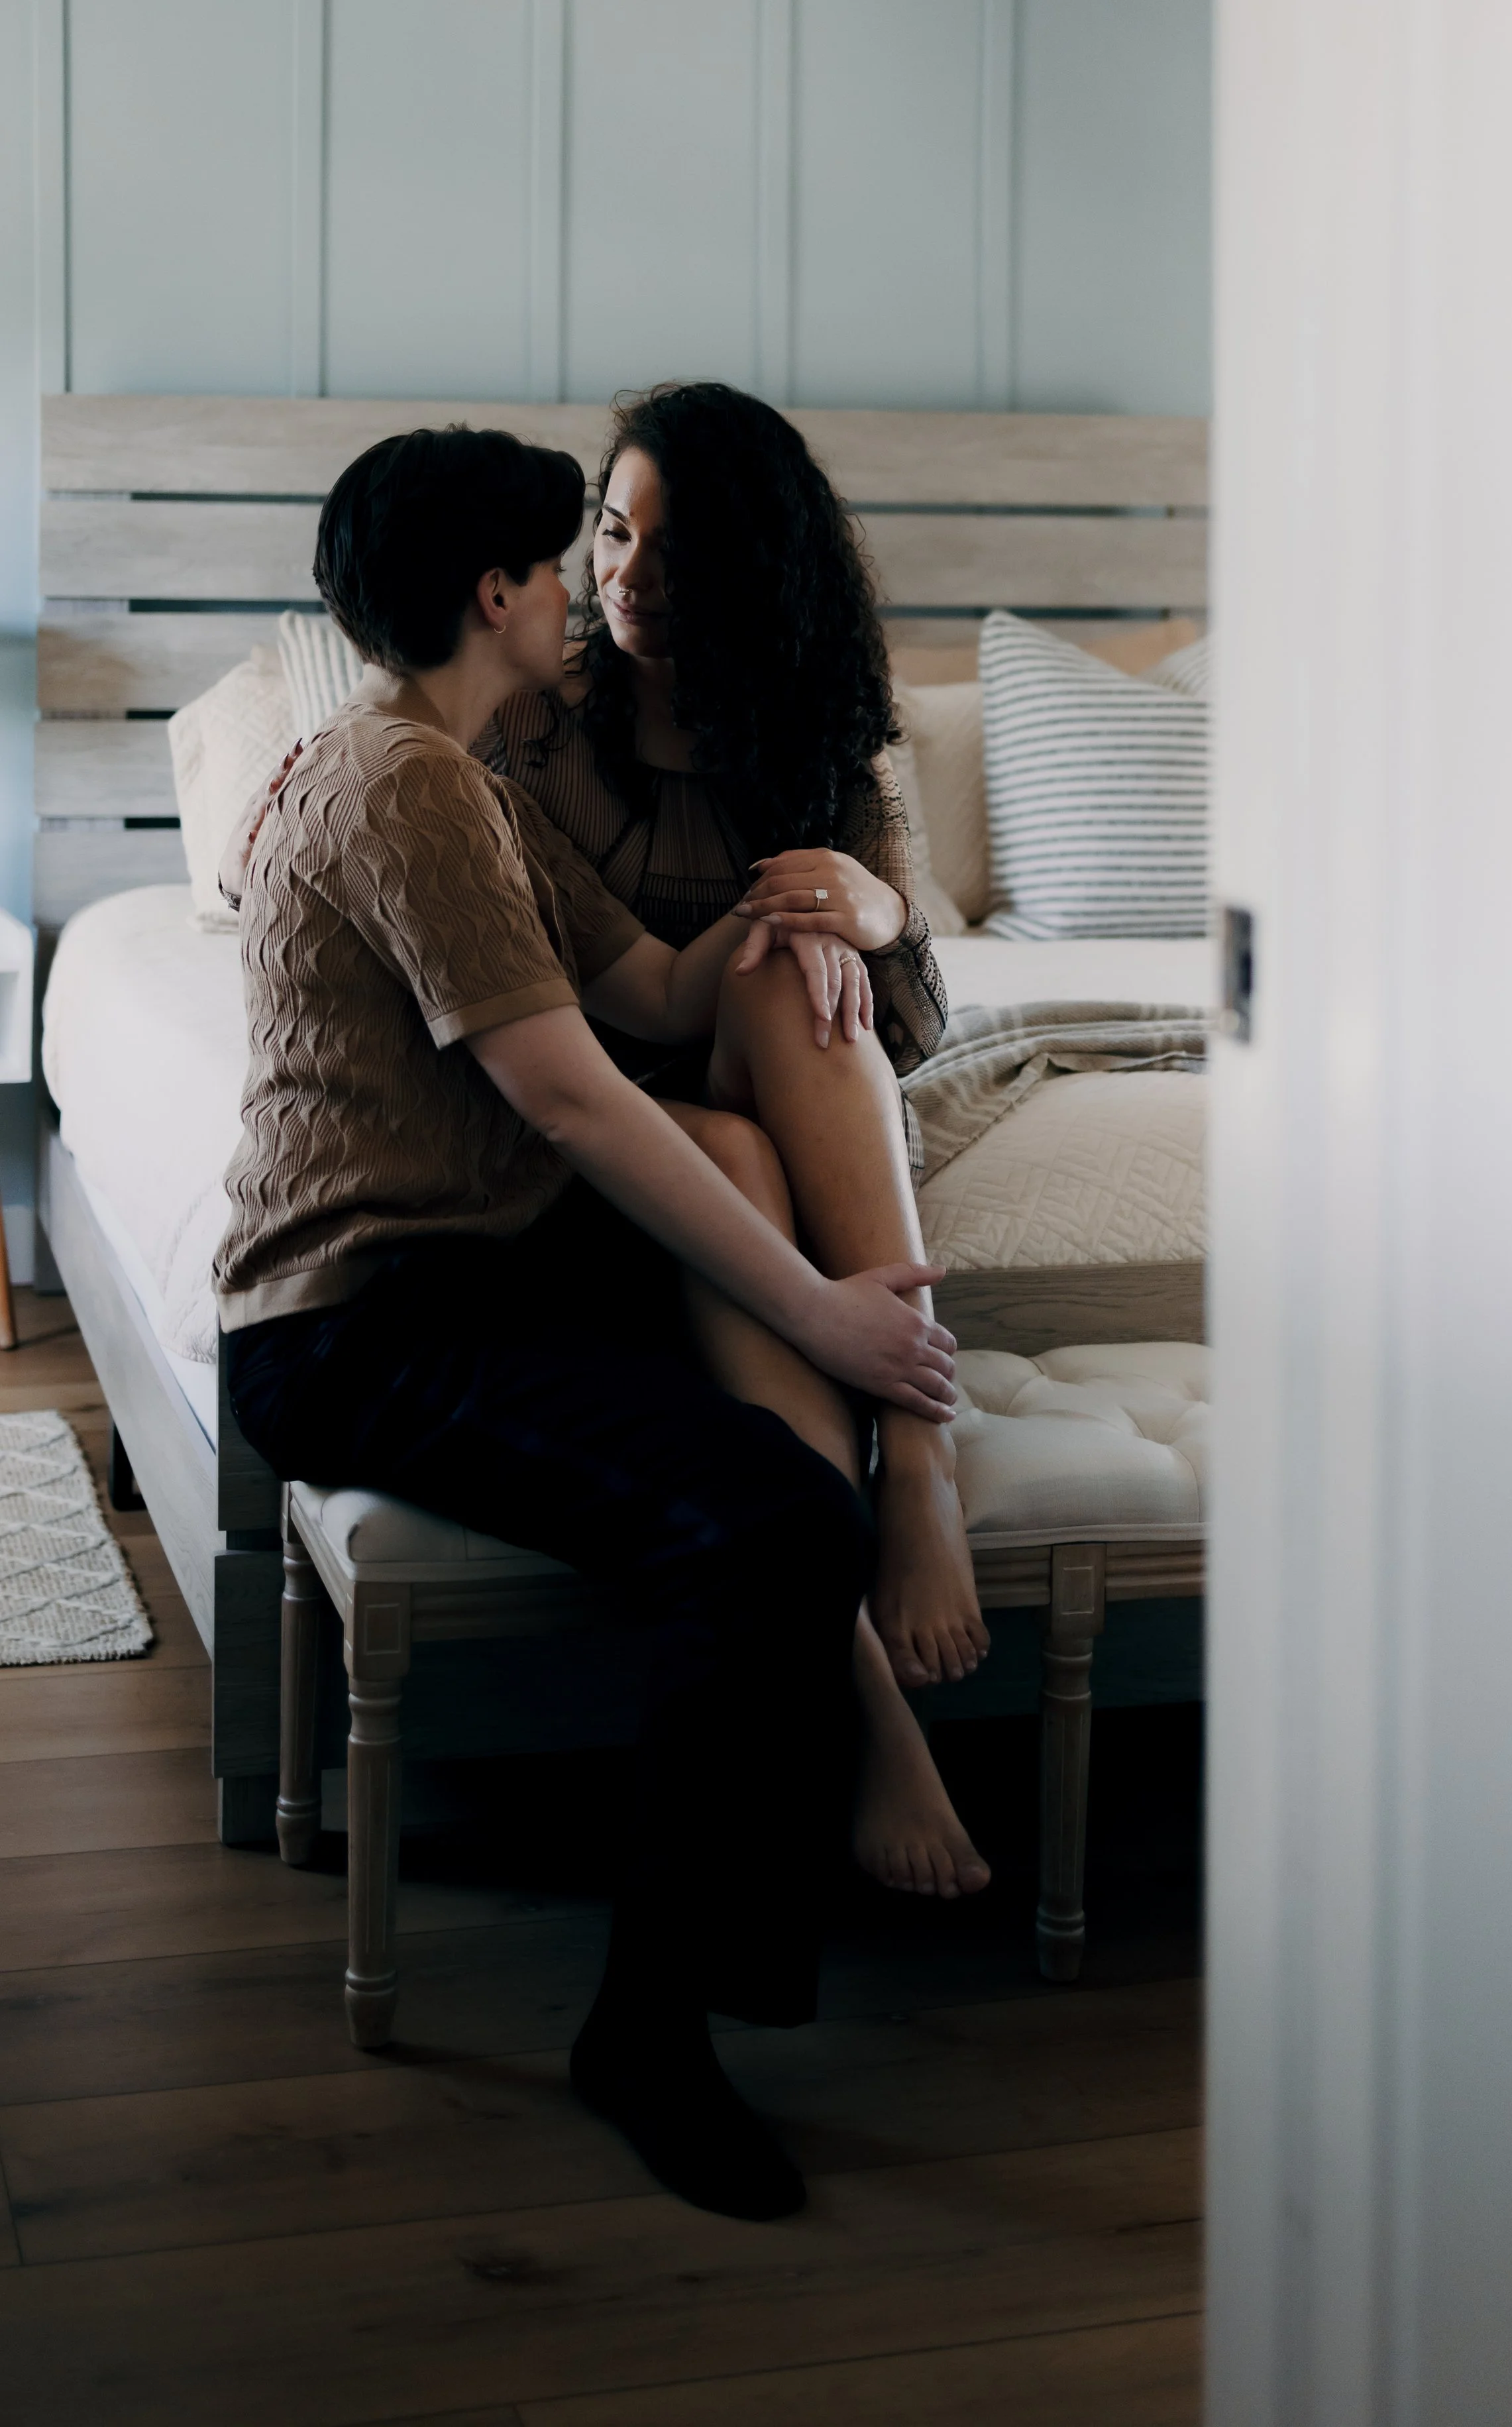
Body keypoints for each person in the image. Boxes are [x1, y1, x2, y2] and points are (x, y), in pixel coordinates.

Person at [216, 425, 979, 2226]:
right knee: (779, 1514)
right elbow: (566, 1091)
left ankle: (692, 1983)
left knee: (764, 1482)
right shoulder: (404, 787)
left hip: (485, 1272)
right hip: (356, 1319)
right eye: (567, 560)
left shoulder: (462, 780)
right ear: (497, 594)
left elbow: (647, 982)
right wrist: (819, 1312)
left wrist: (834, 918)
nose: (587, 590)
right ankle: (649, 2032)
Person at [474, 382, 993, 1706]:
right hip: (615, 1106)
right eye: (611, 532)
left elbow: (920, 1028)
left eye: (670, 543)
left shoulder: (819, 718)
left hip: (800, 1068)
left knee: (788, 979)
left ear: (753, 560)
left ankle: (916, 1459)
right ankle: (851, 1596)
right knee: (761, 1020)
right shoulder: (532, 720)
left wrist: (872, 908)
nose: (627, 575)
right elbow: (532, 985)